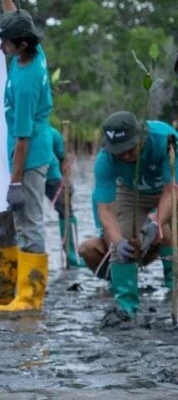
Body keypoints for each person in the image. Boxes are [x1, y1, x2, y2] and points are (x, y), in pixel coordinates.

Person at [0, 0, 54, 312]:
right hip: (20, 149)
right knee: (9, 220)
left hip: (28, 156)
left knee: (29, 221)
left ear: (21, 45)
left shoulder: (28, 80)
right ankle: (3, 287)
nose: (1, 47)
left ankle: (30, 297)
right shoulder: (31, 51)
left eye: (5, 42)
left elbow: (24, 139)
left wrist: (16, 181)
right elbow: (14, 16)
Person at [86, 111, 175, 323]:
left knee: (171, 232)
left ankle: (174, 287)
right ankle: (126, 307)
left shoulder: (165, 140)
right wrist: (118, 242)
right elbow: (105, 209)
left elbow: (171, 191)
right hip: (131, 191)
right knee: (122, 242)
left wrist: (156, 222)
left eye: (129, 150)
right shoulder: (104, 160)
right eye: (119, 153)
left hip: (169, 188)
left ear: (141, 138)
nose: (125, 156)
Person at [45, 126, 85, 267]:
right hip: (26, 177)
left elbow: (62, 158)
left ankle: (71, 254)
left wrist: (66, 180)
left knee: (65, 208)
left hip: (52, 176)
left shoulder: (52, 133)